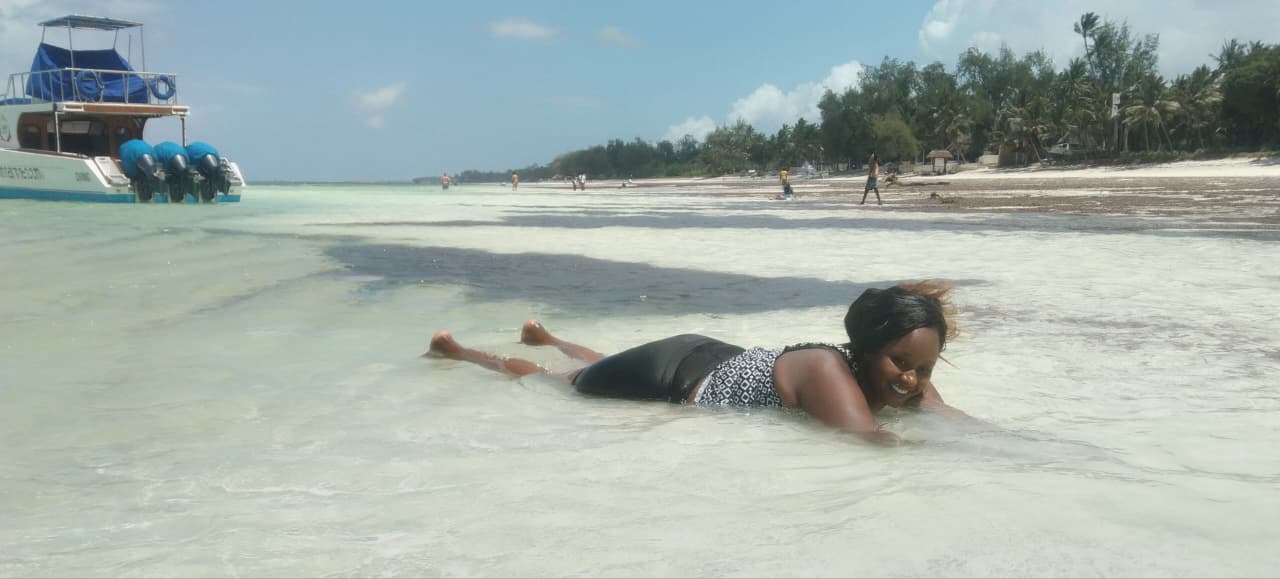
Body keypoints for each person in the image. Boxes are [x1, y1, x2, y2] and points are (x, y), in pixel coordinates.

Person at [424, 281, 975, 445]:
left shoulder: (905, 381)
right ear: (867, 350)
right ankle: (464, 352)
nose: (911, 379)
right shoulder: (829, 373)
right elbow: (874, 443)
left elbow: (960, 423)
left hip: (718, 357)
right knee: (561, 385)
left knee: (593, 364)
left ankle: (545, 333)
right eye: (901, 363)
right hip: (672, 374)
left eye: (925, 370)